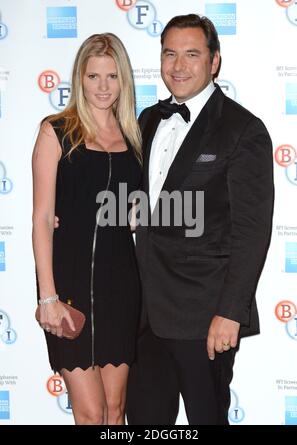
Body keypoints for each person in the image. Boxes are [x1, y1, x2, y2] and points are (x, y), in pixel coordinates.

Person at [126, 14, 274, 425]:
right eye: (170, 54)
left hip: (204, 317)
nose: (178, 65)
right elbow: (141, 199)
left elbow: (252, 230)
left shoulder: (243, 129)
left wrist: (230, 312)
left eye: (192, 54)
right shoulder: (149, 120)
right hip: (144, 315)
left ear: (214, 62)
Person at [32, 33, 142, 425]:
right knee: (91, 413)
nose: (102, 87)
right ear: (79, 78)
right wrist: (48, 295)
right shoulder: (56, 131)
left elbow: (132, 210)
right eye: (93, 76)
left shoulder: (132, 137)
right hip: (70, 288)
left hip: (121, 288)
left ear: (123, 80)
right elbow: (43, 218)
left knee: (114, 412)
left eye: (112, 77)